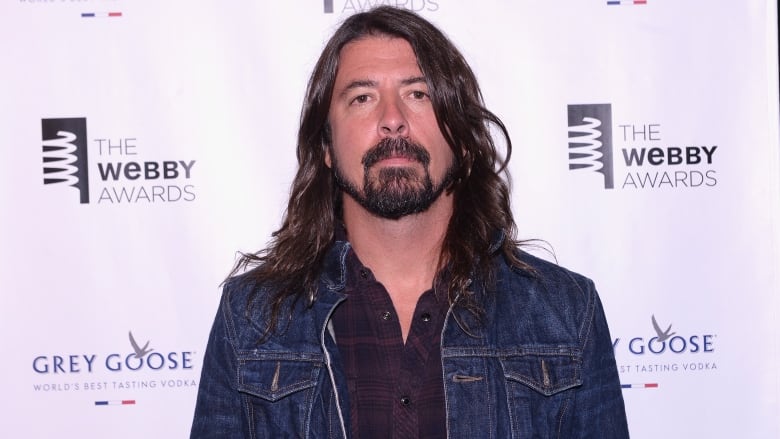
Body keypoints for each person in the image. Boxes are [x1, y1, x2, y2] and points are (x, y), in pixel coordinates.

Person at [191, 5, 629, 438]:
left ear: (460, 136)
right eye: (362, 98)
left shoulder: (565, 312)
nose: (392, 120)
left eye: (418, 94)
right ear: (326, 146)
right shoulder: (250, 319)